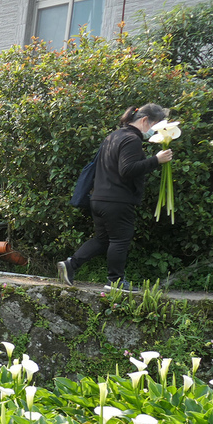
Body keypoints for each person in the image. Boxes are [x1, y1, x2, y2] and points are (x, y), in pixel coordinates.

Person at [57, 104, 174, 292]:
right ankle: (116, 281)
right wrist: (156, 160)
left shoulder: (113, 136)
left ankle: (71, 264)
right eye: (156, 125)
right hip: (117, 200)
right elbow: (126, 170)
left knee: (102, 240)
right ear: (145, 121)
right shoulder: (131, 140)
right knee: (120, 240)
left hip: (99, 198)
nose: (155, 131)